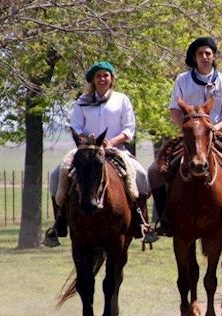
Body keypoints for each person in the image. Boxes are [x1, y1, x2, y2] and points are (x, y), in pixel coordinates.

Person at [43, 61, 157, 247]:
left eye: (106, 75)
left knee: (142, 175)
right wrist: (87, 141)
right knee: (57, 175)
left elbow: (129, 130)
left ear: (111, 78)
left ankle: (142, 223)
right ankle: (59, 224)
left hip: (114, 149)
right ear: (93, 80)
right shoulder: (82, 101)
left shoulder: (122, 100)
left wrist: (111, 142)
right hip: (86, 150)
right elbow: (76, 126)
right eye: (99, 76)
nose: (102, 79)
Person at [148, 36, 222, 236]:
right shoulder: (182, 80)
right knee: (154, 171)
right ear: (194, 58)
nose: (205, 57)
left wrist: (215, 128)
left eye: (208, 53)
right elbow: (174, 111)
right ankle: (164, 219)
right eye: (200, 54)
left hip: (217, 134)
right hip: (188, 135)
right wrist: (187, 129)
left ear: (214, 57)